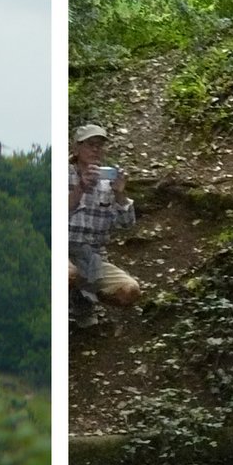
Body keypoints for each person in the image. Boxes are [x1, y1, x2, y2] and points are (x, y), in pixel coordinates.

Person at [68, 123, 140, 325]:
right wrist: (81, 187)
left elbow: (127, 224)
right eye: (90, 144)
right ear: (76, 148)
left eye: (100, 145)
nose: (96, 149)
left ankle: (83, 299)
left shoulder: (108, 182)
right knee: (68, 273)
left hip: (92, 256)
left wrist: (120, 193)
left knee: (129, 291)